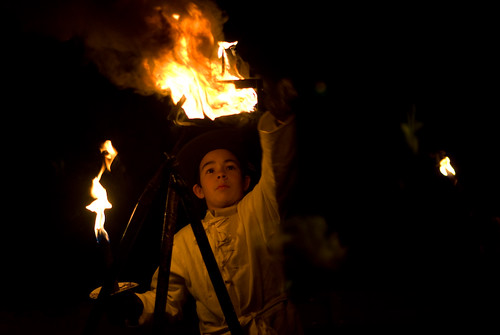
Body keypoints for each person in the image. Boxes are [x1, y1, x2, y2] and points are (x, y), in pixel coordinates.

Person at [114, 82, 300, 334]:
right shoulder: (184, 242)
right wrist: (135, 305)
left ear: (246, 182)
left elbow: (277, 170)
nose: (221, 173)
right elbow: (166, 299)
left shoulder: (261, 209)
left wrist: (278, 120)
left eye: (230, 167)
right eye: (210, 170)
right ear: (198, 190)